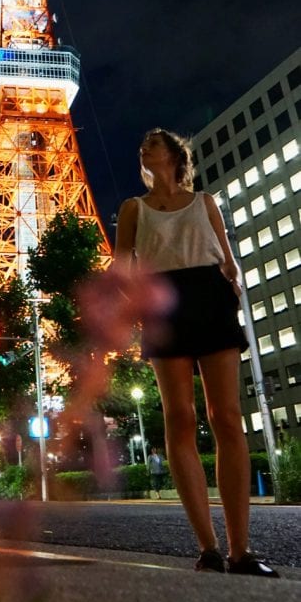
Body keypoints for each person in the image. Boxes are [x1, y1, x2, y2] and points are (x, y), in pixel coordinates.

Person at [114, 128, 279, 577]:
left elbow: (227, 259)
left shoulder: (205, 201)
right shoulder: (133, 209)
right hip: (163, 300)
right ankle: (208, 547)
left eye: (153, 143)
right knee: (179, 417)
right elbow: (121, 263)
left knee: (226, 416)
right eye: (141, 145)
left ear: (173, 154)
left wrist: (234, 288)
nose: (144, 148)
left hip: (209, 295)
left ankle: (241, 551)